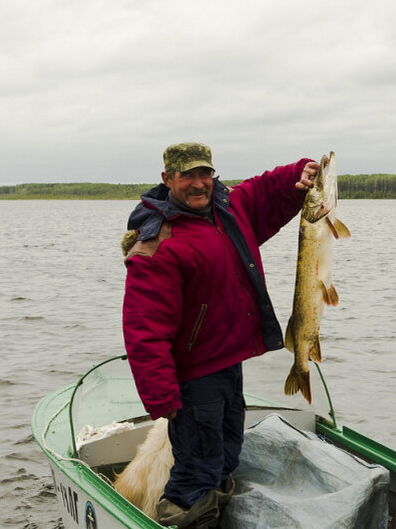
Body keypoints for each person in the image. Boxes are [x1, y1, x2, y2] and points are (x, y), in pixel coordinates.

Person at [121, 142, 317, 527]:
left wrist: (300, 174)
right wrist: (161, 394)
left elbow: (263, 193)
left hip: (229, 362)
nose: (198, 183)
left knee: (227, 454)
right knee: (198, 471)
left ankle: (214, 516)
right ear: (167, 179)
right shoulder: (157, 244)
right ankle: (183, 519)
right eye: (187, 176)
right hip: (196, 376)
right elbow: (144, 329)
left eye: (205, 174)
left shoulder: (227, 211)